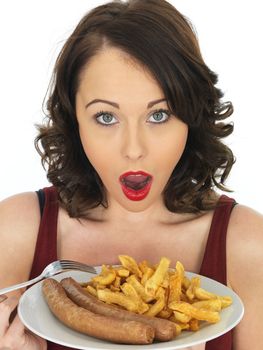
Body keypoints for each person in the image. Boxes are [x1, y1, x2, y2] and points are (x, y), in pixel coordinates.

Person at [0, 0, 262, 349]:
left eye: (159, 115)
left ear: (191, 115)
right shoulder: (15, 231)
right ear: (74, 119)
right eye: (106, 117)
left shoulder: (248, 244)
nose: (134, 149)